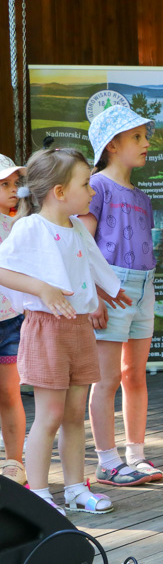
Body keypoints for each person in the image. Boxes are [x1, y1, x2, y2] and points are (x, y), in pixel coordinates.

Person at [0, 148, 131, 514]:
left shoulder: (75, 227)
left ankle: (76, 488)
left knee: (74, 413)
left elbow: (92, 263)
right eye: (86, 184)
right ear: (59, 192)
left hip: (79, 328)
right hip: (46, 330)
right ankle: (39, 495)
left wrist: (109, 288)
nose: (92, 192)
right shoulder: (31, 227)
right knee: (50, 414)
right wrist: (41, 288)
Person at [80, 106, 160, 486]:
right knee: (108, 377)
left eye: (145, 136)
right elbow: (83, 244)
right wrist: (95, 292)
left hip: (145, 285)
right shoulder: (95, 187)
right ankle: (107, 460)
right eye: (138, 138)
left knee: (135, 374)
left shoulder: (142, 198)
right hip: (111, 287)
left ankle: (136, 455)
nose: (147, 143)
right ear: (112, 145)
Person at [0, 154, 27, 485]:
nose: (12, 190)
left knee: (9, 392)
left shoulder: (20, 225)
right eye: (3, 184)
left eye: (14, 184)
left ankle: (14, 463)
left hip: (11, 320)